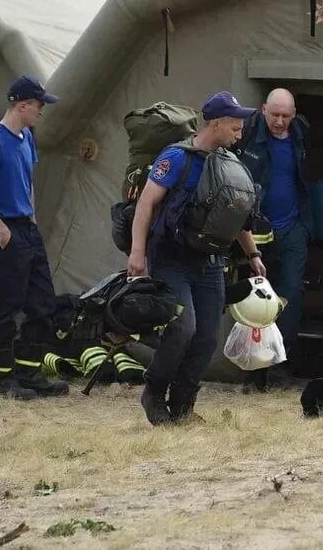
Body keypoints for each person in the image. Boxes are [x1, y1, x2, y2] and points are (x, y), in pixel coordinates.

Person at [128, 91, 268, 425]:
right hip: (171, 257)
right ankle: (154, 391)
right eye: (234, 127)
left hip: (209, 262)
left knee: (206, 336)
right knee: (183, 327)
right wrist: (136, 253)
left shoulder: (229, 164)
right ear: (216, 124)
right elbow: (146, 204)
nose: (239, 133)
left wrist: (253, 254)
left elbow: (234, 217)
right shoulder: (177, 158)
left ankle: (183, 406)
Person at [0, 76, 69, 400]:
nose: (41, 112)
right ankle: (2, 377)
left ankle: (29, 371)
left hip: (27, 228)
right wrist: (0, 228)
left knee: (42, 302)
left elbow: (28, 182)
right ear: (22, 105)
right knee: (6, 304)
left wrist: (32, 219)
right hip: (4, 230)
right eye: (39, 106)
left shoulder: (27, 138)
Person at [237, 88, 311, 387]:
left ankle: (280, 363)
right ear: (263, 109)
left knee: (290, 294)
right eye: (275, 115)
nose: (280, 121)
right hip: (255, 229)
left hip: (292, 227)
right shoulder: (246, 132)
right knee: (254, 297)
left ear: (294, 115)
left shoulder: (301, 133)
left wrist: (305, 225)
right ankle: (253, 369)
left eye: (286, 116)